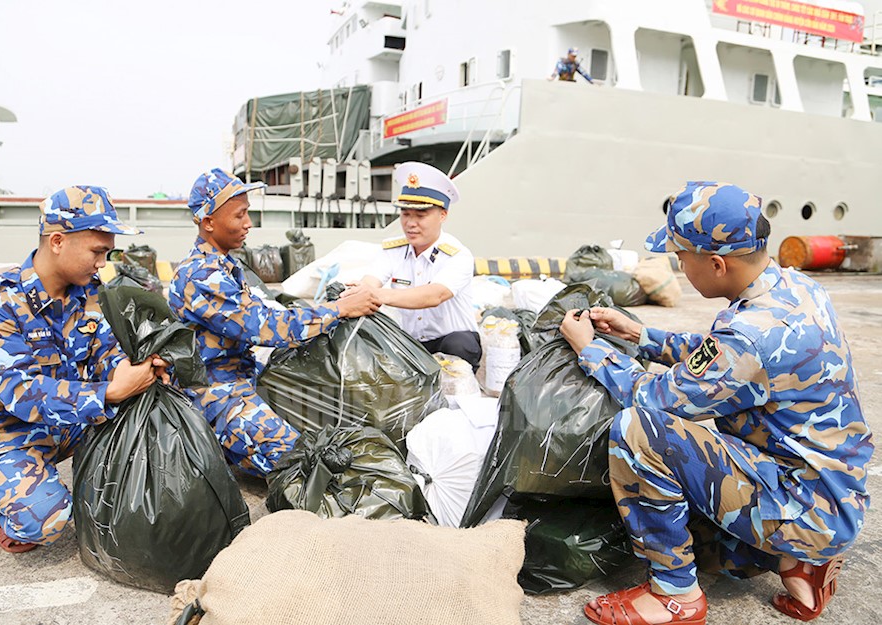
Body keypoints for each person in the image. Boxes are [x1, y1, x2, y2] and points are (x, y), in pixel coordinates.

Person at [559, 181, 872, 625]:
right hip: (831, 492)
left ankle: (674, 596)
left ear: (718, 263)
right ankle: (801, 565)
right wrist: (639, 335)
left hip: (805, 507)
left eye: (682, 258)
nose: (681, 267)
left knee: (638, 431)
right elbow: (720, 356)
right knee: (699, 526)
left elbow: (653, 397)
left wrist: (590, 348)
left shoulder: (749, 335)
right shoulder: (793, 286)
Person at [0, 186, 167, 553]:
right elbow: (20, 394)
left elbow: (106, 350)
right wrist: (110, 392)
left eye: (108, 252)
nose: (103, 262)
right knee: (48, 518)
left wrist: (134, 367)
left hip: (68, 424)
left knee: (156, 434)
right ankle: (13, 501)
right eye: (97, 252)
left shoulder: (89, 294)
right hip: (6, 433)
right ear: (57, 241)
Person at [168, 168, 380, 477]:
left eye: (247, 214)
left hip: (244, 377)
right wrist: (338, 309)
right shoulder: (201, 275)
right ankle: (219, 444)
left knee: (323, 417)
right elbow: (265, 327)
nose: (248, 224)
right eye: (239, 215)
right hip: (214, 393)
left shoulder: (224, 265)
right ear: (209, 222)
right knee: (302, 462)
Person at [352, 162, 481, 370]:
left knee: (458, 345)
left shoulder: (458, 255)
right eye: (405, 214)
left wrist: (377, 295)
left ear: (443, 215)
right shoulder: (392, 251)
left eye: (420, 216)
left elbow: (434, 295)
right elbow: (371, 280)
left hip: (450, 339)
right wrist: (358, 292)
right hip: (411, 343)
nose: (411, 223)